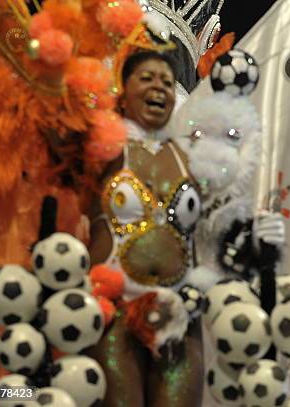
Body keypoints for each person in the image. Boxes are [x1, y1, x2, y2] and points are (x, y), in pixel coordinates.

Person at [86, 49, 205, 407]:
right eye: (147, 78)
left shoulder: (192, 158)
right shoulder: (103, 148)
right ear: (123, 89)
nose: (159, 88)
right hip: (114, 308)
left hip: (180, 313)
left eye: (167, 82)